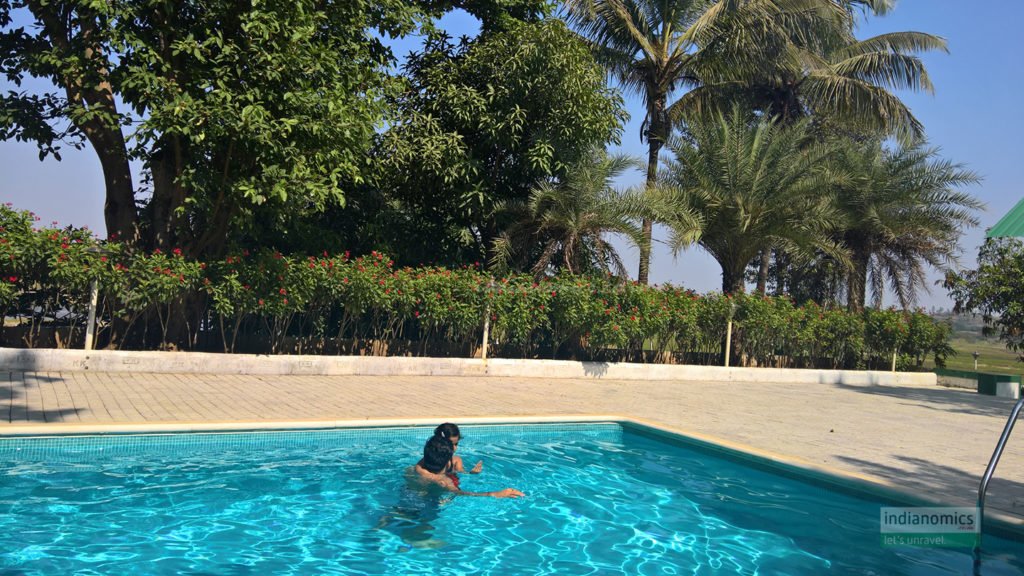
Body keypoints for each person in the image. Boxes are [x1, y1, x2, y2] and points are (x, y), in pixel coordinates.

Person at [412, 434, 523, 498]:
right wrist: (495, 494)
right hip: (426, 502)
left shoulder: (420, 466)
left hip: (410, 493)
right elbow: (459, 493)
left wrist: (470, 473)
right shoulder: (443, 480)